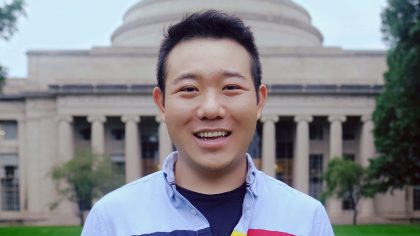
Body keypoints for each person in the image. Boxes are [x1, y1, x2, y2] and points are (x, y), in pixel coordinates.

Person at [82, 10, 334, 236]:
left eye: (231, 87)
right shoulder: (113, 221)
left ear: (259, 101)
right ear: (161, 104)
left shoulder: (305, 219)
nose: (211, 109)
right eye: (189, 88)